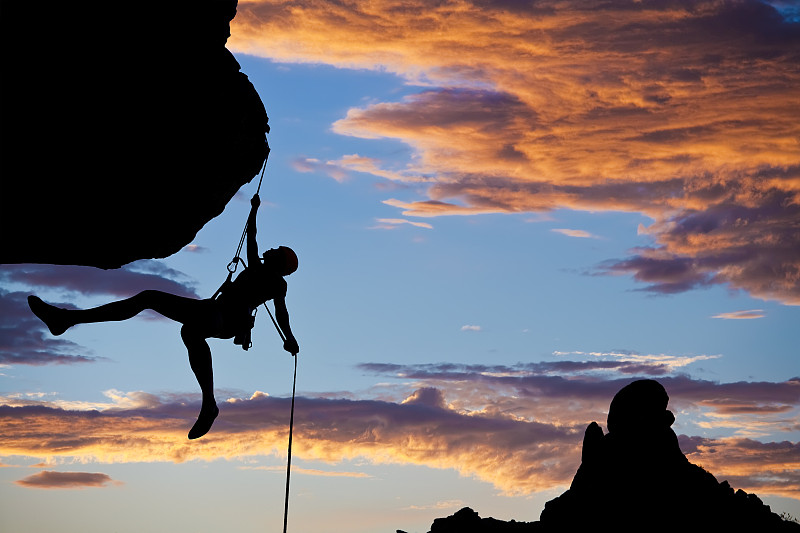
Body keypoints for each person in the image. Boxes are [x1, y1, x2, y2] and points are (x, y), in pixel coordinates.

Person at [28, 194, 299, 439]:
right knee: (180, 324)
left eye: (277, 251)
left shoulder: (275, 281)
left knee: (160, 306)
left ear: (281, 263)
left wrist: (289, 339)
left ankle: (67, 319)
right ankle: (66, 319)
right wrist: (253, 210)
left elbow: (281, 313)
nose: (271, 250)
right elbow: (252, 237)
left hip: (224, 317)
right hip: (215, 313)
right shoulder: (257, 268)